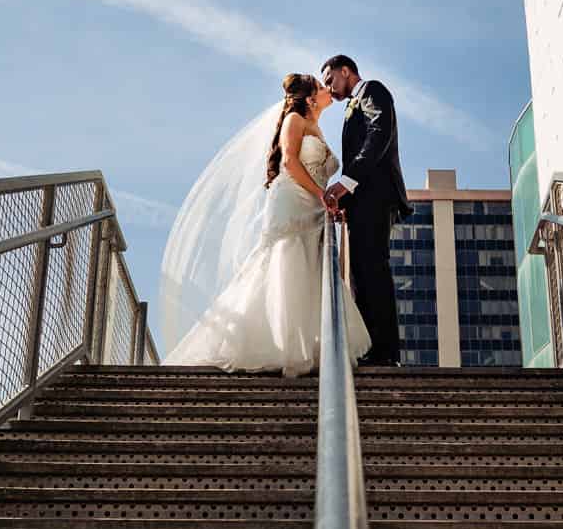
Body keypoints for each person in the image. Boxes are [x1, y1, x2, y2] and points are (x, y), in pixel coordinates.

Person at [163, 74, 374, 375]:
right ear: (312, 97)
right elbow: (289, 161)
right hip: (293, 199)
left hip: (315, 205)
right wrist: (320, 195)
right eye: (322, 86)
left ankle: (303, 344)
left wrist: (327, 200)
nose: (329, 90)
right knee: (284, 263)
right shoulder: (294, 120)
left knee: (309, 270)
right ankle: (272, 343)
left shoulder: (318, 128)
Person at [319, 55, 410, 367]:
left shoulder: (371, 91)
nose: (328, 87)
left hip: (377, 198)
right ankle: (374, 347)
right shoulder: (349, 106)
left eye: (330, 79)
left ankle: (386, 351)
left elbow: (378, 134)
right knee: (360, 272)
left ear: (346, 71)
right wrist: (346, 201)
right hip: (361, 202)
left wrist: (346, 182)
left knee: (373, 269)